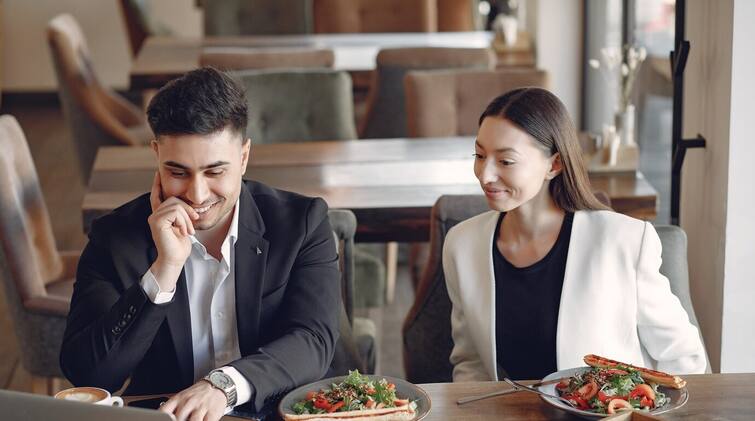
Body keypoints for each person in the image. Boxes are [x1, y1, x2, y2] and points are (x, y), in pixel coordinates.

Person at [60, 67, 341, 420]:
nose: (197, 194)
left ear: (243, 157)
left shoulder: (302, 223)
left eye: (214, 171)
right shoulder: (113, 238)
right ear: (156, 156)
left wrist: (223, 387)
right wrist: (164, 271)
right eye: (177, 172)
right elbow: (88, 374)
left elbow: (313, 341)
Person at [443, 87, 707, 382]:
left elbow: (684, 359)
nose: (484, 174)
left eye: (505, 161)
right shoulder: (461, 244)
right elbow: (471, 364)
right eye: (479, 155)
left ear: (553, 164)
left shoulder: (625, 241)